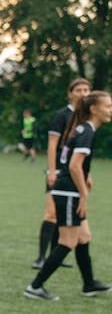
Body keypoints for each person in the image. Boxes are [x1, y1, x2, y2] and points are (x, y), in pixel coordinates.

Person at [24, 90, 112, 300]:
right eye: (108, 106)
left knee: (84, 237)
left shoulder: (80, 128)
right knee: (68, 242)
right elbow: (74, 166)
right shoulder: (87, 131)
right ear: (93, 109)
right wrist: (83, 195)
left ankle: (89, 284)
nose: (111, 110)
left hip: (66, 189)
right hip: (69, 191)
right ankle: (35, 287)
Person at [33, 78, 90, 269]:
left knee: (64, 216)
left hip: (74, 173)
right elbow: (52, 145)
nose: (83, 94)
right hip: (59, 172)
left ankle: (54, 256)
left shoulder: (85, 118)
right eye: (79, 90)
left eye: (86, 90)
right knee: (51, 214)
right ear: (70, 93)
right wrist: (52, 170)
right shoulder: (62, 115)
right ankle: (41, 258)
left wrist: (87, 174)